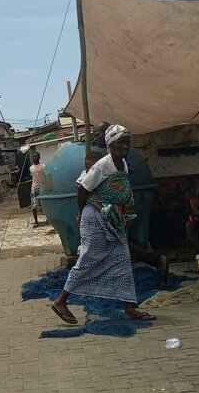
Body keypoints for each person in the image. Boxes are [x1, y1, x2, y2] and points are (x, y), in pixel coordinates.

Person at [50, 124, 156, 324]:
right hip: (95, 219)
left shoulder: (122, 164)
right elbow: (83, 189)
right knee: (89, 258)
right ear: (110, 144)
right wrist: (82, 214)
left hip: (112, 220)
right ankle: (60, 301)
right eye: (120, 142)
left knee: (123, 259)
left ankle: (129, 307)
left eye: (127, 142)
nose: (125, 146)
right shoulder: (102, 165)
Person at [29, 152, 46, 226]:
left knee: (45, 204)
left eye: (36, 156)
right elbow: (32, 177)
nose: (34, 158)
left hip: (42, 187)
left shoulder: (43, 166)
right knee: (34, 205)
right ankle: (36, 221)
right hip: (34, 188)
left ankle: (48, 219)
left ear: (39, 157)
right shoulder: (31, 168)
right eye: (34, 156)